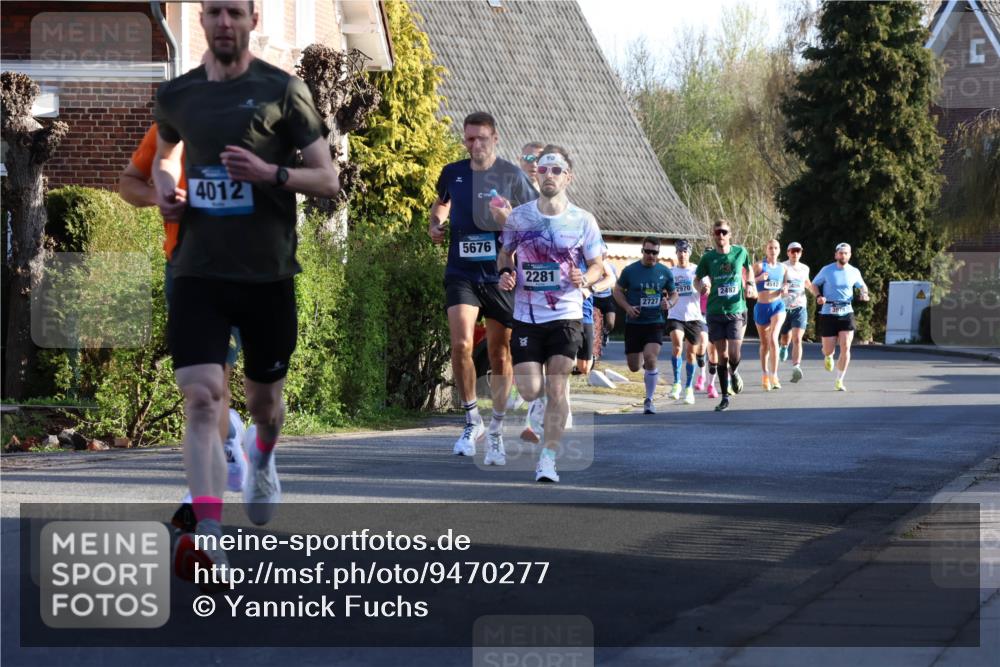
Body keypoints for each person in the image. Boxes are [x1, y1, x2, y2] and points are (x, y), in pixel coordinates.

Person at [152, 0, 339, 577]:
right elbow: (164, 158)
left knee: (265, 405)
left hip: (267, 276)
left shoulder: (285, 91)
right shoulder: (177, 95)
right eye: (214, 12)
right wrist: (165, 188)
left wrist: (271, 174)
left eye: (235, 11)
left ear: (254, 19)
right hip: (198, 271)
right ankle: (209, 530)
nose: (224, 22)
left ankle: (261, 455)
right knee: (203, 397)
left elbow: (328, 179)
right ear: (203, 20)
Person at [118, 122, 247, 533]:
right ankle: (200, 500)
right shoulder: (171, 129)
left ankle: (233, 440)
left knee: (222, 386)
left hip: (246, 272)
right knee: (204, 388)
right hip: (187, 270)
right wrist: (159, 194)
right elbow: (128, 183)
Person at [429, 113, 538, 458]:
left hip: (499, 275)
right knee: (460, 344)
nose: (475, 145)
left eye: (482, 139)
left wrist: (511, 221)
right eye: (469, 139)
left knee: (498, 353)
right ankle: (471, 419)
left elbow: (536, 221)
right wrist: (435, 224)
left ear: (495, 138)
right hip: (461, 272)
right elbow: (441, 204)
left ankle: (496, 429)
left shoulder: (512, 175)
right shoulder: (453, 173)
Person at [498, 146, 604, 482]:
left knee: (557, 388)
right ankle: (535, 404)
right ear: (536, 175)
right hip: (528, 314)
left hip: (567, 314)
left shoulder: (583, 220)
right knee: (530, 389)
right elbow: (505, 254)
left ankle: (548, 458)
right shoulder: (520, 217)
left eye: (556, 170)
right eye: (544, 170)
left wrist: (584, 278)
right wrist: (506, 272)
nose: (549, 175)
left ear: (568, 177)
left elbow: (599, 265)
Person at [696, 219, 756, 412]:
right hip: (715, 311)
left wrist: (750, 284)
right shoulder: (708, 258)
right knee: (721, 355)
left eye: (724, 232)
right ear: (713, 235)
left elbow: (750, 269)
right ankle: (724, 397)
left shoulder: (740, 252)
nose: (720, 235)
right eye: (717, 232)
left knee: (734, 354)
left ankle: (735, 371)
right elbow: (696, 280)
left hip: (736, 310)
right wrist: (701, 287)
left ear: (730, 234)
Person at [613, 237, 678, 415]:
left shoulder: (664, 272)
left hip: (654, 322)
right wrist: (627, 307)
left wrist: (669, 304)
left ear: (658, 253)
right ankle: (648, 371)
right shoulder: (630, 271)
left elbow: (674, 293)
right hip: (634, 324)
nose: (650, 255)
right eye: (647, 251)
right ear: (642, 251)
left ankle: (649, 400)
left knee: (651, 357)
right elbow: (617, 290)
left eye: (654, 252)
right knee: (634, 366)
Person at [811, 243, 870, 391]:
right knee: (828, 350)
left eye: (846, 253)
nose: (843, 255)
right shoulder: (827, 270)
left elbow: (862, 286)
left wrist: (864, 293)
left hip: (846, 312)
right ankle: (828, 356)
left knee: (846, 347)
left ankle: (840, 380)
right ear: (836, 255)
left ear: (850, 255)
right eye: (841, 253)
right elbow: (814, 284)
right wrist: (818, 296)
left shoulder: (854, 271)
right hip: (828, 312)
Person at [665, 240, 704, 405]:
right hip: (675, 315)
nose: (682, 254)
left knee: (690, 354)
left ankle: (688, 388)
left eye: (685, 251)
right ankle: (676, 383)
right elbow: (663, 290)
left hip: (694, 318)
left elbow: (705, 287)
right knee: (677, 346)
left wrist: (706, 288)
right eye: (679, 251)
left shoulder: (697, 270)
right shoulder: (670, 272)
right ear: (676, 254)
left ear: (689, 253)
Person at [752, 239, 789, 391]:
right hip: (761, 307)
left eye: (775, 248)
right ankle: (765, 374)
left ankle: (774, 375)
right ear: (766, 250)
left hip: (777, 306)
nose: (773, 250)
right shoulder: (759, 266)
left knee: (773, 339)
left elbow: (786, 283)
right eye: (770, 248)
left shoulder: (783, 268)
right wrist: (759, 279)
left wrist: (785, 287)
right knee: (764, 344)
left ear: (779, 250)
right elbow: (744, 282)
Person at [779, 241, 812, 383]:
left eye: (798, 251)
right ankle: (783, 346)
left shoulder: (805, 268)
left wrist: (817, 294)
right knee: (785, 337)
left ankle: (796, 367)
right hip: (784, 307)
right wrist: (782, 290)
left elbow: (807, 283)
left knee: (797, 338)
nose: (795, 253)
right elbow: (776, 283)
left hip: (800, 307)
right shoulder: (782, 266)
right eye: (792, 251)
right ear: (788, 253)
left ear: (801, 252)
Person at [592, 260, 618, 353]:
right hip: (594, 297)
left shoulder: (611, 266)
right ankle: (595, 348)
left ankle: (605, 333)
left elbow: (616, 282)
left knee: (611, 323)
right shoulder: (591, 266)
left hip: (607, 297)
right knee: (594, 325)